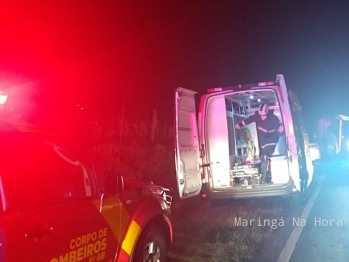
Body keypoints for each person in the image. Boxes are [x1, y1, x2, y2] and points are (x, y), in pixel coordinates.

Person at [235, 104, 284, 183]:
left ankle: (265, 177)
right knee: (263, 157)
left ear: (267, 113)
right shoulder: (257, 116)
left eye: (264, 115)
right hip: (263, 141)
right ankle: (267, 174)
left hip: (272, 140)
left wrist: (281, 131)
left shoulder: (274, 119)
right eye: (261, 115)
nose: (262, 117)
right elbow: (248, 120)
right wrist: (239, 125)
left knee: (266, 156)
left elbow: (280, 131)